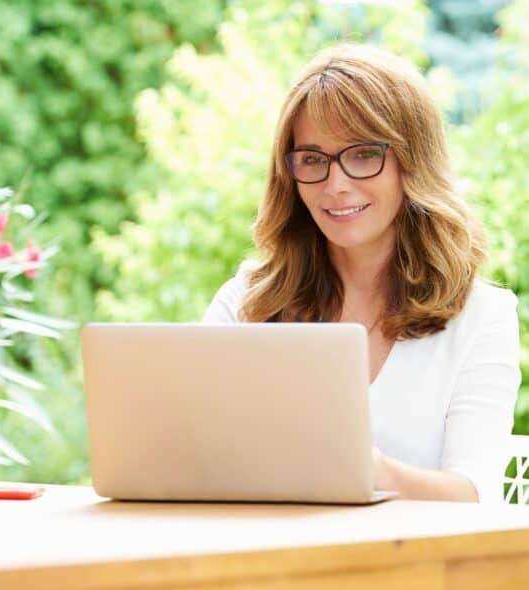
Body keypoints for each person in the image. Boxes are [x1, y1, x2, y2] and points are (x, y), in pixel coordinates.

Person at [202, 44, 521, 503]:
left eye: (363, 154)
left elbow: (473, 494)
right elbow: (197, 458)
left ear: (412, 162)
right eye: (312, 159)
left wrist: (369, 470)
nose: (335, 185)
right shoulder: (248, 301)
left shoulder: (481, 318)